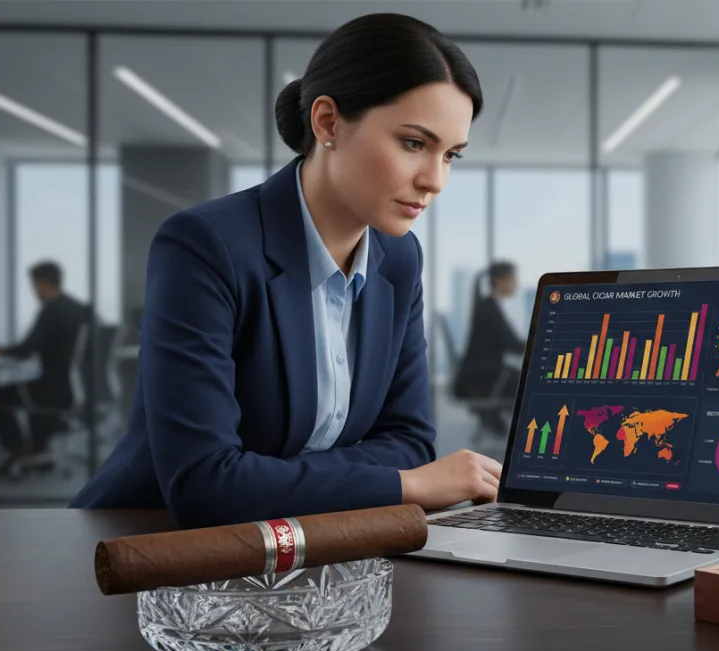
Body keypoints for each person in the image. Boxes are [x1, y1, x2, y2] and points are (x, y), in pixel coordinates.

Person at [70, 13, 504, 528]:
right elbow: (205, 484)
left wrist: (267, 479)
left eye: (451, 154)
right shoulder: (206, 246)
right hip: (152, 546)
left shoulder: (400, 259)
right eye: (414, 143)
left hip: (310, 545)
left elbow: (409, 440)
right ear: (327, 123)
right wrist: (405, 484)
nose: (434, 180)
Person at [0, 261, 89, 479]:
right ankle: (39, 453)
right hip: (78, 388)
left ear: (42, 283)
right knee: (32, 395)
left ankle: (18, 453)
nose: (35, 291)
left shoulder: (52, 310)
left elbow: (27, 349)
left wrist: (1, 351)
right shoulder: (82, 309)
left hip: (54, 389)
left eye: (34, 286)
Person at [451, 261, 526, 434]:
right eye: (513, 279)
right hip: (484, 380)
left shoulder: (488, 305)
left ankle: (502, 429)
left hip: (483, 376)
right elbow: (512, 344)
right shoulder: (489, 308)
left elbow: (510, 343)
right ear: (500, 281)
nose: (516, 284)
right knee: (533, 385)